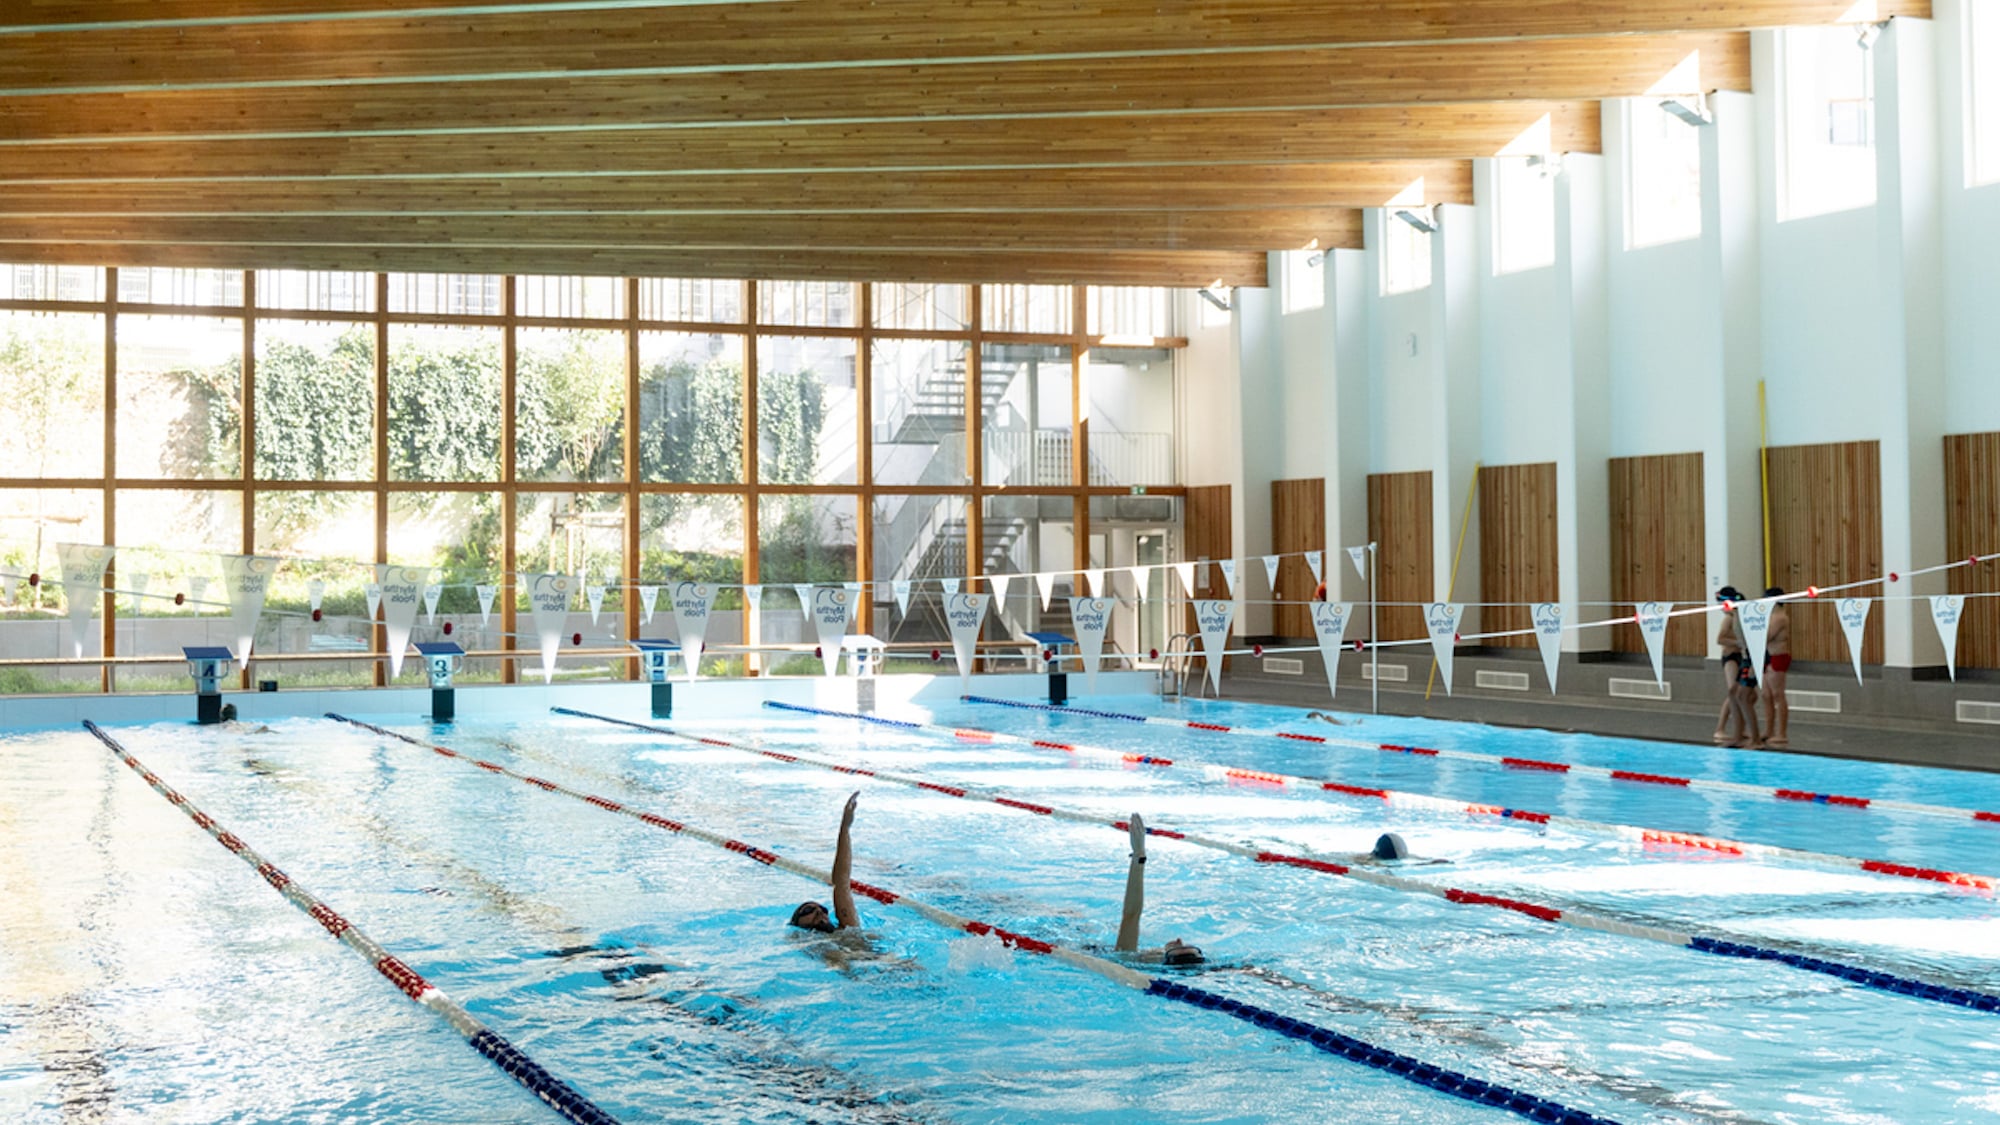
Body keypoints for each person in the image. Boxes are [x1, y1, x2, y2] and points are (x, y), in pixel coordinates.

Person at [1115, 814, 1204, 967]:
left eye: (1176, 947)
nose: (1179, 940)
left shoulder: (1126, 958)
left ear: (1162, 959)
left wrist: (1139, 856)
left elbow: (1131, 914)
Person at [788, 791, 862, 936]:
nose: (819, 911)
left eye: (822, 909)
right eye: (808, 910)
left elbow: (842, 883)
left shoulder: (847, 929)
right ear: (797, 923)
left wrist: (845, 827)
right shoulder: (805, 943)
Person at [1710, 588, 1762, 749]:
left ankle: (1755, 739)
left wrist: (1755, 663)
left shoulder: (1743, 616)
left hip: (1751, 659)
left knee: (1744, 696)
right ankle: (1739, 736)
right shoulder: (1735, 616)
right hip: (1745, 659)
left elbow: (1756, 640)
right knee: (1737, 694)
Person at [1760, 587, 1791, 747]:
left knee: (1778, 695)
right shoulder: (1771, 616)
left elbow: (1767, 636)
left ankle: (1782, 734)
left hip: (1779, 657)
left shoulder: (1779, 617)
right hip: (1768, 657)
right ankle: (1769, 730)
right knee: (1766, 695)